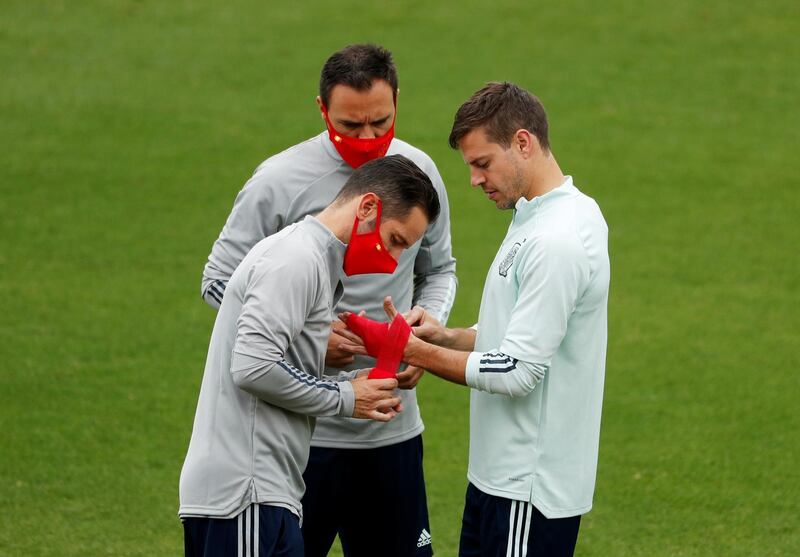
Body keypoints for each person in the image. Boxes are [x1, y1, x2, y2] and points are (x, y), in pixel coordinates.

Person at [201, 44, 456, 556]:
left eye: (380, 123)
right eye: (350, 125)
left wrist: (422, 330)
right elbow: (218, 282)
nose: (367, 139)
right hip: (305, 438)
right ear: (322, 110)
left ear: (398, 103)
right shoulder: (277, 181)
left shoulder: (417, 175)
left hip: (390, 428)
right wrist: (309, 340)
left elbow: (440, 269)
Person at [342, 82, 610, 557]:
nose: (474, 180)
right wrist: (445, 335)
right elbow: (523, 335)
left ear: (523, 143)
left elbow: (521, 370)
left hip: (530, 488)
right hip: (498, 479)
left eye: (482, 163)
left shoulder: (558, 239)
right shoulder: (537, 219)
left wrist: (412, 349)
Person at [179, 155, 441, 557]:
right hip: (245, 496)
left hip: (263, 494)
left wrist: (351, 383)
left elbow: (275, 365)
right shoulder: (296, 260)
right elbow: (254, 367)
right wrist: (347, 398)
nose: (391, 261)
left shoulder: (311, 260)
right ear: (368, 207)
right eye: (394, 240)